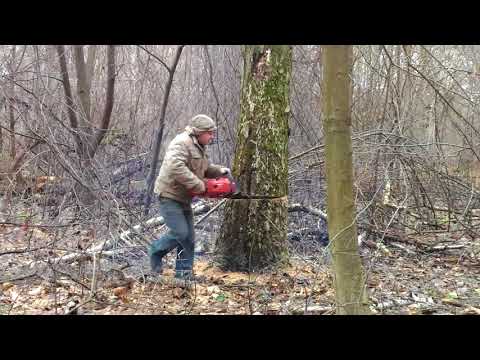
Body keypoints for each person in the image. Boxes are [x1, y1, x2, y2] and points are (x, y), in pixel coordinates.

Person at [149, 114, 230, 281]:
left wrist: (220, 171)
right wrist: (199, 185)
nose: (212, 136)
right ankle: (155, 251)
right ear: (199, 132)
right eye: (209, 133)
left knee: (189, 237)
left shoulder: (199, 146)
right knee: (180, 232)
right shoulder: (181, 143)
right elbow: (175, 166)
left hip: (184, 196)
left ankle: (183, 273)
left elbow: (204, 168)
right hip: (169, 195)